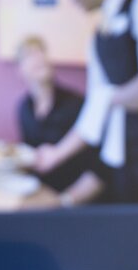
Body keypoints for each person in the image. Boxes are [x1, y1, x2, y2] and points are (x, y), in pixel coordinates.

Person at [33, 0, 138, 204]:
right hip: (124, 171)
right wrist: (56, 154)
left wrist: (109, 97)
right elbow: (94, 112)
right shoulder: (96, 40)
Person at [16, 36, 101, 198]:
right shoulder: (23, 109)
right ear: (20, 70)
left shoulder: (76, 103)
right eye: (29, 55)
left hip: (72, 197)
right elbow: (28, 157)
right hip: (37, 194)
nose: (38, 57)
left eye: (41, 51)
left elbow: (100, 166)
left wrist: (66, 200)